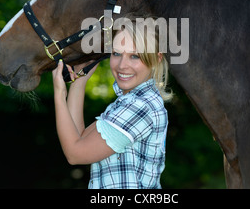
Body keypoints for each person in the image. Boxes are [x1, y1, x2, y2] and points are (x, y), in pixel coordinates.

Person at [52, 16, 172, 189]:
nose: (122, 65)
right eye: (116, 53)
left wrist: (59, 94)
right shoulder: (128, 101)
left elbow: (74, 154)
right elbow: (78, 137)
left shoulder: (140, 107)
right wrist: (80, 81)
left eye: (135, 56)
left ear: (157, 58)